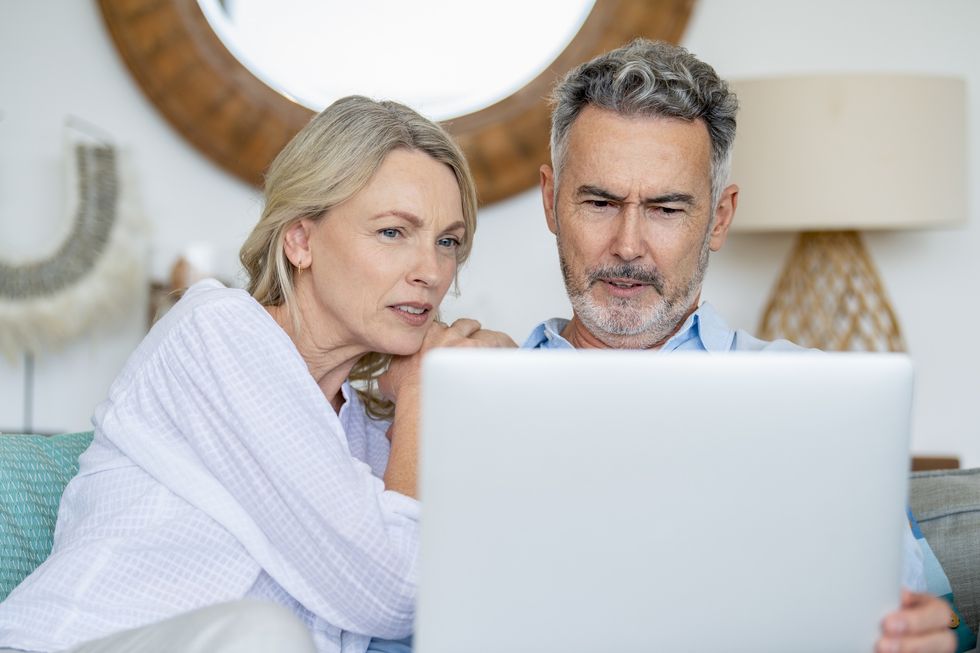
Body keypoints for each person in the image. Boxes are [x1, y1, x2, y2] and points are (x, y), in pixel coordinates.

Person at [0, 96, 512, 653]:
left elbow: (456, 595)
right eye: (393, 232)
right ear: (300, 240)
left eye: (448, 242)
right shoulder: (217, 334)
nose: (431, 271)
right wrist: (422, 393)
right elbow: (394, 592)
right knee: (262, 636)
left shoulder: (372, 433)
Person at [523, 39, 957, 653]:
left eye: (666, 208)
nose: (627, 244)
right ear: (551, 201)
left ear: (720, 218)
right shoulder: (457, 396)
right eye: (599, 202)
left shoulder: (817, 399)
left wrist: (932, 634)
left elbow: (933, 618)